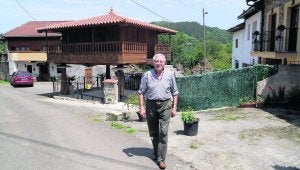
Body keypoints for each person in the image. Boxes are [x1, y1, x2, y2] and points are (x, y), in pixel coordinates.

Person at [138, 53, 179, 169]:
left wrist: (174, 107)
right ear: (153, 63)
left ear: (164, 63)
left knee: (163, 132)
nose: (158, 63)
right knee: (153, 132)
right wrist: (141, 107)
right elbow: (141, 92)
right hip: (150, 105)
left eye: (161, 61)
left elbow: (175, 92)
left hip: (165, 105)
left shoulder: (170, 75)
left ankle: (161, 159)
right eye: (156, 61)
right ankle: (156, 152)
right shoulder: (147, 75)